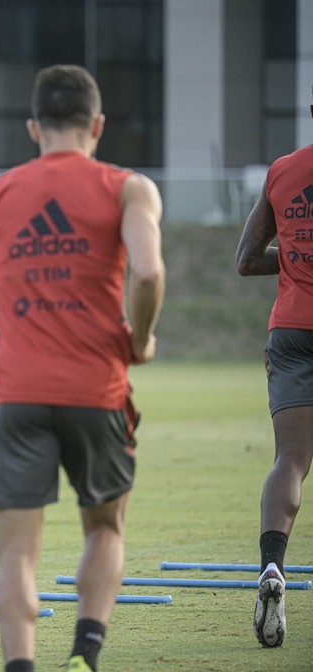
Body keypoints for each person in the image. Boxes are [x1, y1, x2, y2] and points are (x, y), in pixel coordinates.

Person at [0, 64, 165, 672]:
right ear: (97, 125)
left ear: (32, 128)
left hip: (18, 393)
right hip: (97, 390)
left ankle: (20, 665)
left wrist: (32, 296)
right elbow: (149, 273)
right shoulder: (130, 187)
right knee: (105, 527)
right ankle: (84, 655)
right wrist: (141, 338)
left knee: (16, 552)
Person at [234, 83, 313, 650]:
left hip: (290, 330)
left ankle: (271, 568)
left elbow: (244, 260)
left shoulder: (283, 171)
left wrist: (292, 258)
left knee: (289, 458)